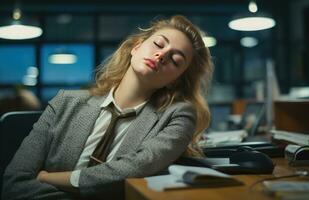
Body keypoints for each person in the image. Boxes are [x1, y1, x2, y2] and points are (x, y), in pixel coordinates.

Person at [2, 15, 213, 200]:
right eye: (158, 44)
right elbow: (14, 184)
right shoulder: (65, 101)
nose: (162, 55)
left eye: (175, 61)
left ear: (174, 81)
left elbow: (132, 171)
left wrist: (48, 178)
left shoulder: (177, 116)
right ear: (136, 47)